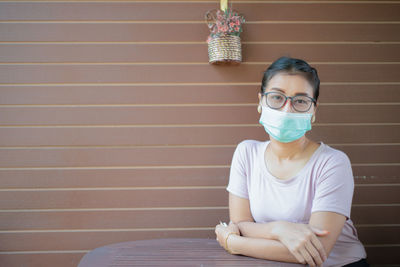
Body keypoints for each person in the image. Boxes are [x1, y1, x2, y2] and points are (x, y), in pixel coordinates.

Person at [215, 57, 368, 267]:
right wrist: (278, 228)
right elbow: (240, 223)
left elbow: (317, 251)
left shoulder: (333, 163)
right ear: (260, 101)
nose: (287, 110)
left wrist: (234, 243)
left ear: (313, 110)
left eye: (301, 101)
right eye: (277, 97)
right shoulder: (246, 153)